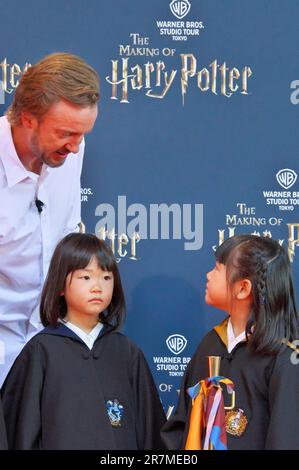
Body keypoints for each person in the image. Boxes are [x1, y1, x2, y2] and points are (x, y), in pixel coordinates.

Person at [1, 233, 166, 450]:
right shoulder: (42, 350)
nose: (97, 287)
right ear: (60, 285)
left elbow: (150, 432)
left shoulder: (127, 352)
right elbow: (20, 432)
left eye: (106, 278)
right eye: (85, 277)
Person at [0, 52, 99, 385]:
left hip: (47, 348)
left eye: (82, 135)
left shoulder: (70, 152)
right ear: (27, 118)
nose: (74, 147)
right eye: (65, 133)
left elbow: (66, 234)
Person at [161, 234, 299, 450]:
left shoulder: (285, 357)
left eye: (217, 269)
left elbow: (286, 439)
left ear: (243, 288)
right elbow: (181, 425)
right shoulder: (210, 344)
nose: (208, 275)